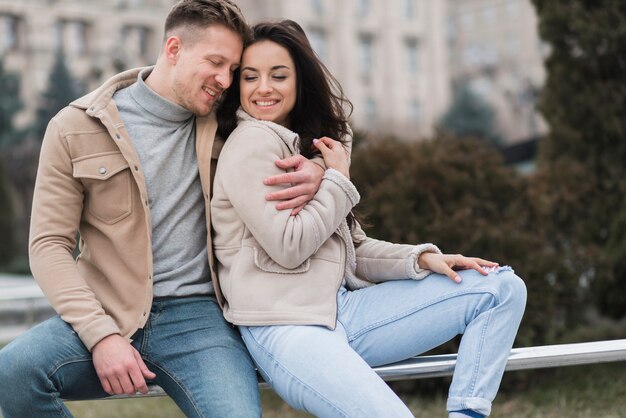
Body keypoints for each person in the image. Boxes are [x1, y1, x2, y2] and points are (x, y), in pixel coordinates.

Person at [0, 2, 327, 417]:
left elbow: (313, 124)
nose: (225, 80)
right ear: (173, 49)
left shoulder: (232, 122)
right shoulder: (75, 126)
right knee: (11, 372)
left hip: (200, 320)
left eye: (232, 68)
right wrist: (101, 337)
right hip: (108, 311)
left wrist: (319, 168)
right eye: (215, 63)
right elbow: (48, 245)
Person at [212, 20, 528, 418]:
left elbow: (352, 250)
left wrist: (424, 259)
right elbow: (289, 247)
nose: (263, 88)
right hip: (286, 328)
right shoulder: (251, 144)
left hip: (342, 312)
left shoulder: (309, 149)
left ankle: (467, 412)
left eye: (279, 75)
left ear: (300, 81)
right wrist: (337, 179)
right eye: (250, 77)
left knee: (500, 288)